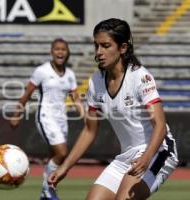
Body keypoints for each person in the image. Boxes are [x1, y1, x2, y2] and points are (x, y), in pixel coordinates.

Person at [48, 18, 179, 200]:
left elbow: (160, 125)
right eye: (96, 46)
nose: (99, 52)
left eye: (105, 46)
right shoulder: (95, 82)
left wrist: (146, 157)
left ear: (123, 48)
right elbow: (89, 130)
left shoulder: (140, 77)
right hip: (126, 157)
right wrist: (65, 167)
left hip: (158, 151)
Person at [10, 38, 84, 200]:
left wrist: (86, 117)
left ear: (67, 52)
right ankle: (47, 189)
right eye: (57, 49)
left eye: (63, 49)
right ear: (51, 52)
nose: (60, 52)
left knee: (54, 157)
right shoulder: (42, 71)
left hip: (61, 119)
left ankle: (46, 194)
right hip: (45, 116)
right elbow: (27, 94)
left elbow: (76, 99)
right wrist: (17, 114)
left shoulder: (70, 74)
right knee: (62, 153)